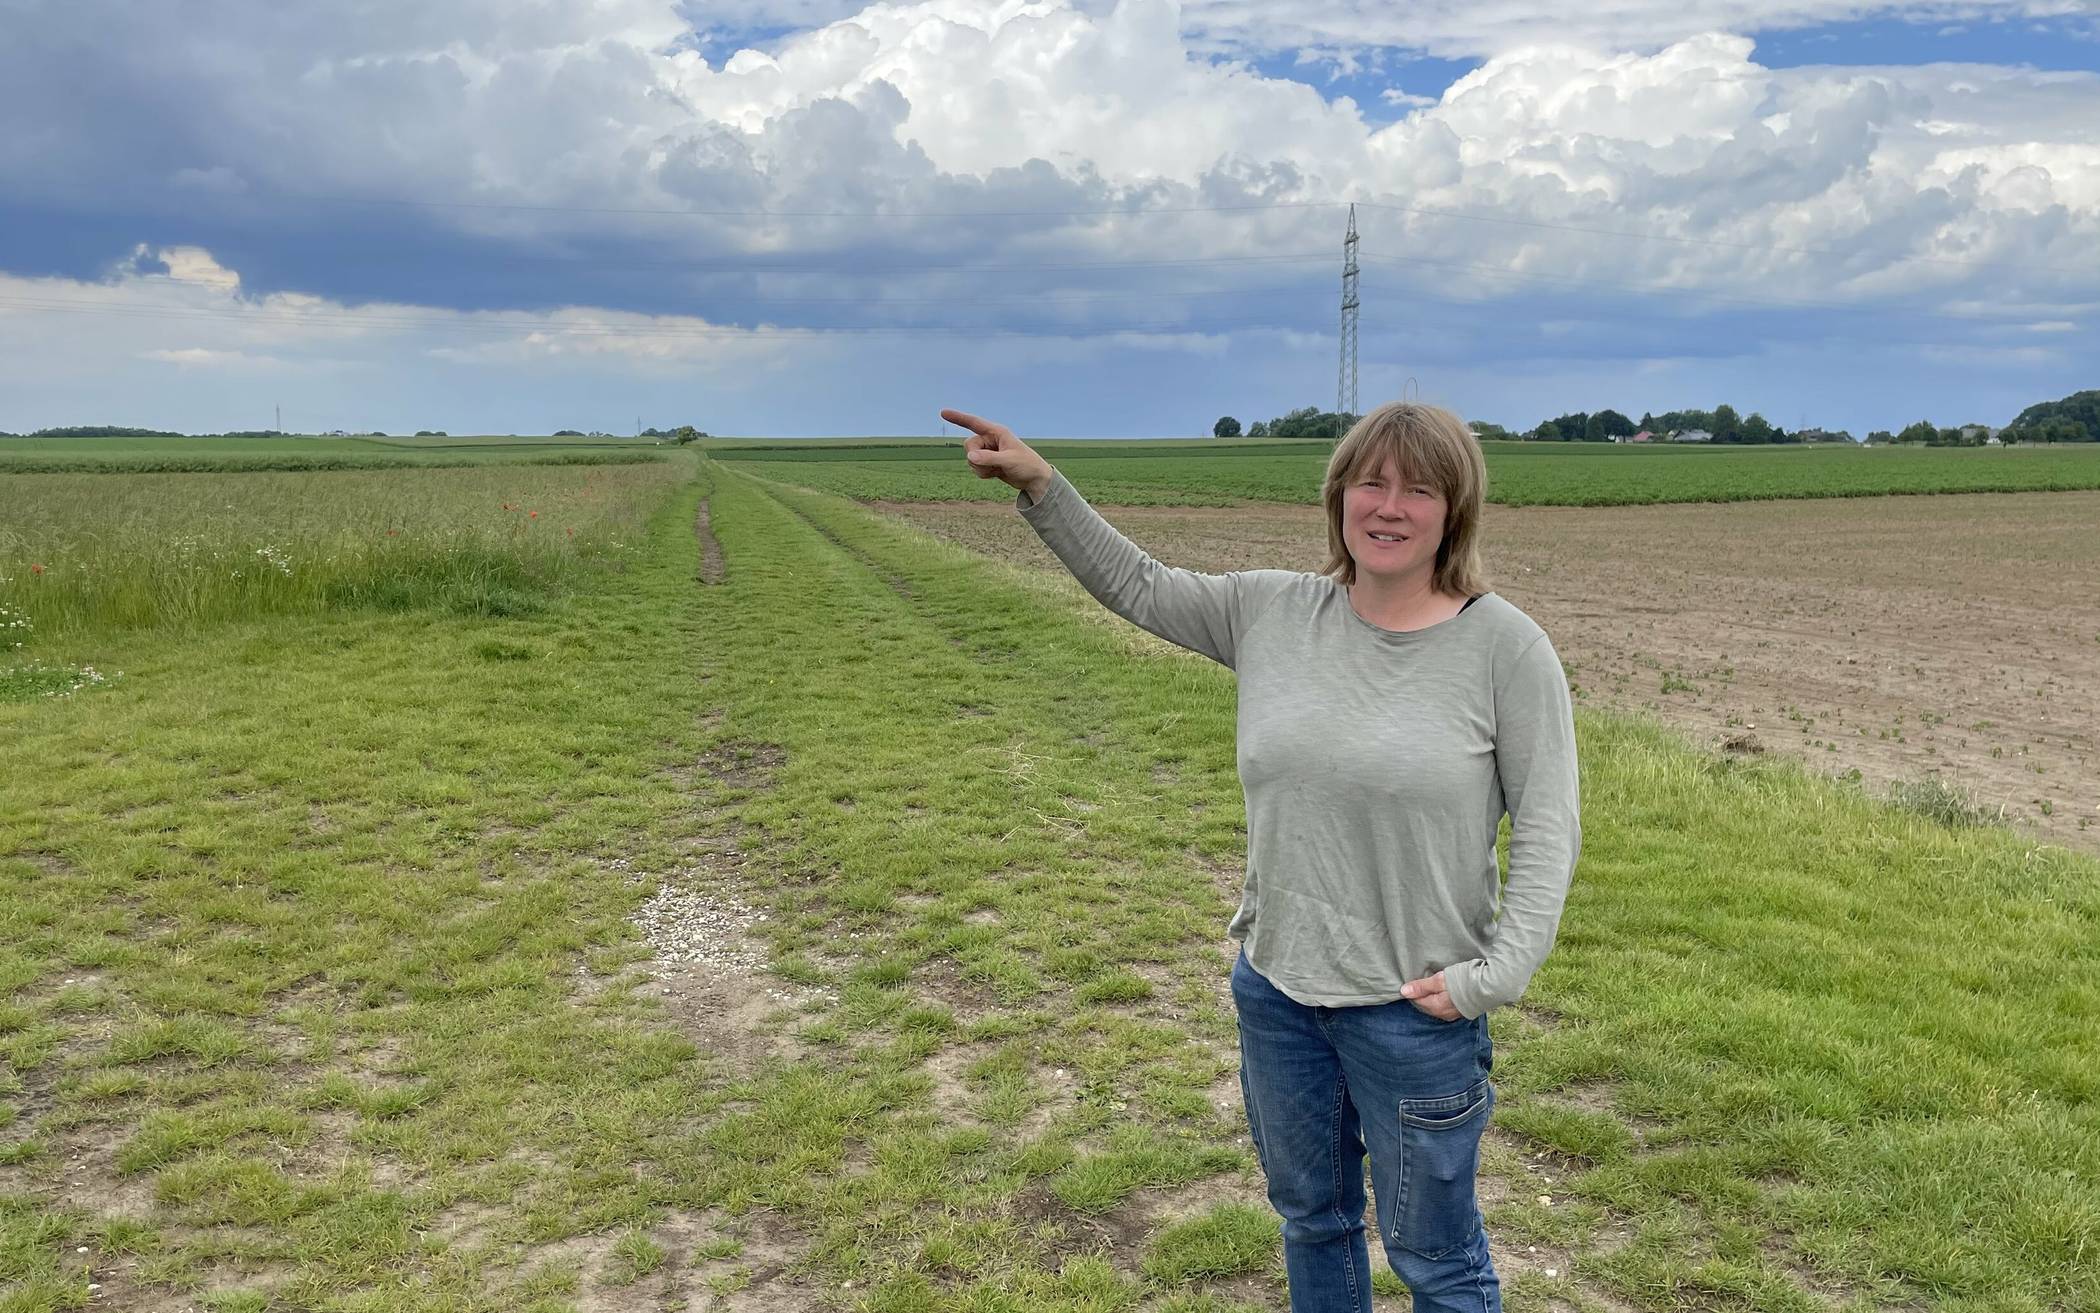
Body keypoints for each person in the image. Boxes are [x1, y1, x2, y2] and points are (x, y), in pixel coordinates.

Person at [939, 403, 1581, 1313]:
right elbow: (1138, 583)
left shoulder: (1503, 648)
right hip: (1279, 993)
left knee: (1435, 1255)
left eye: (1419, 488)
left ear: (1454, 511)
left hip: (1416, 1010)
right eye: (1371, 481)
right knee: (1312, 1221)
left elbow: (1549, 828)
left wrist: (1497, 974)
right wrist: (1043, 485)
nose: (1389, 506)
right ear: (1339, 497)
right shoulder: (1273, 610)